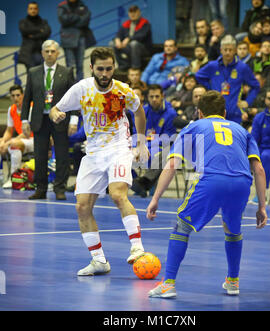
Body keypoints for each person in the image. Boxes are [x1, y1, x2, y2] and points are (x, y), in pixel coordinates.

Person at [146, 90, 267, 298]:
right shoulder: (241, 130)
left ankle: (168, 284)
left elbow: (172, 164)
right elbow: (259, 169)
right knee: (232, 228)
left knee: (181, 225)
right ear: (225, 113)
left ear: (200, 113)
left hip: (212, 180)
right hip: (241, 183)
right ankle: (233, 281)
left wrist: (155, 198)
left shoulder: (193, 126)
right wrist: (262, 206)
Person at [49, 47, 150, 276]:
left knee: (117, 194)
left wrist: (141, 142)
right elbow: (56, 108)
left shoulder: (123, 90)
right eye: (101, 69)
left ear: (114, 68)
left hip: (119, 148)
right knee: (82, 207)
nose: (105, 73)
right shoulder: (81, 89)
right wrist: (55, 113)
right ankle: (99, 261)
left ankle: (137, 247)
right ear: (92, 68)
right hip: (93, 153)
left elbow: (139, 112)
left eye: (109, 68)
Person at [21, 40, 77, 201]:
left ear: (58, 53)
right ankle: (41, 188)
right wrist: (24, 119)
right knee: (39, 155)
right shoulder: (33, 72)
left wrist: (73, 119)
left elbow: (73, 97)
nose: (50, 54)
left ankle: (59, 188)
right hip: (40, 119)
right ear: (42, 53)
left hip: (60, 118)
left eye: (53, 51)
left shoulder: (66, 72)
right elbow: (27, 98)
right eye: (47, 51)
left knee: (61, 155)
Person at [196, 35, 260, 124]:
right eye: (225, 50)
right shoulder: (213, 66)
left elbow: (256, 86)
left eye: (230, 50)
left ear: (235, 50)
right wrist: (210, 89)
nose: (227, 53)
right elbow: (199, 75)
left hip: (235, 114)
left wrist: (247, 102)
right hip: (215, 112)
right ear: (221, 50)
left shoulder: (242, 67)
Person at [130, 84, 177, 198]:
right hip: (143, 145)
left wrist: (147, 146)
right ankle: (136, 181)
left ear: (163, 96)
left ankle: (146, 184)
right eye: (151, 97)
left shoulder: (171, 113)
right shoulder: (143, 111)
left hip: (161, 147)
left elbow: (168, 138)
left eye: (157, 96)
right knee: (121, 154)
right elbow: (136, 132)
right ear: (147, 98)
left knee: (159, 156)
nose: (154, 99)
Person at [0, 85, 34, 188]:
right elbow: (9, 131)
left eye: (18, 95)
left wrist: (9, 142)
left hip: (34, 139)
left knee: (13, 144)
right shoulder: (11, 109)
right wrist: (3, 141)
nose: (16, 98)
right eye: (13, 96)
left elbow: (27, 132)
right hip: (21, 141)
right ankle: (1, 176)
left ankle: (13, 178)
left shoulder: (31, 107)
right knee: (3, 144)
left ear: (23, 95)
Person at [57, 0, 96, 81]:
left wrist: (71, 19)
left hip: (81, 38)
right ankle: (71, 86)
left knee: (80, 65)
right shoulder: (62, 6)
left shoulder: (82, 5)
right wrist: (78, 17)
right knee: (70, 66)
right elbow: (63, 20)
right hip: (67, 39)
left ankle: (80, 85)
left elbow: (86, 19)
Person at [111, 5, 152, 71]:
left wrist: (128, 39)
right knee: (112, 44)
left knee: (134, 43)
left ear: (139, 12)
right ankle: (124, 65)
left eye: (134, 12)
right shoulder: (126, 23)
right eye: (131, 12)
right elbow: (119, 34)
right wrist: (117, 40)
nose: (132, 14)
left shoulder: (145, 23)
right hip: (129, 48)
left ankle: (135, 67)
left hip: (144, 49)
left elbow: (141, 36)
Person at [18, 1, 51, 72]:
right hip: (28, 54)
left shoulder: (44, 22)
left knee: (43, 76)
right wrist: (40, 30)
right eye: (31, 8)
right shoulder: (23, 22)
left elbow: (47, 32)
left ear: (38, 10)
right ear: (28, 10)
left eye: (35, 8)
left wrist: (32, 36)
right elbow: (24, 31)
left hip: (42, 53)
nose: (33, 10)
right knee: (31, 77)